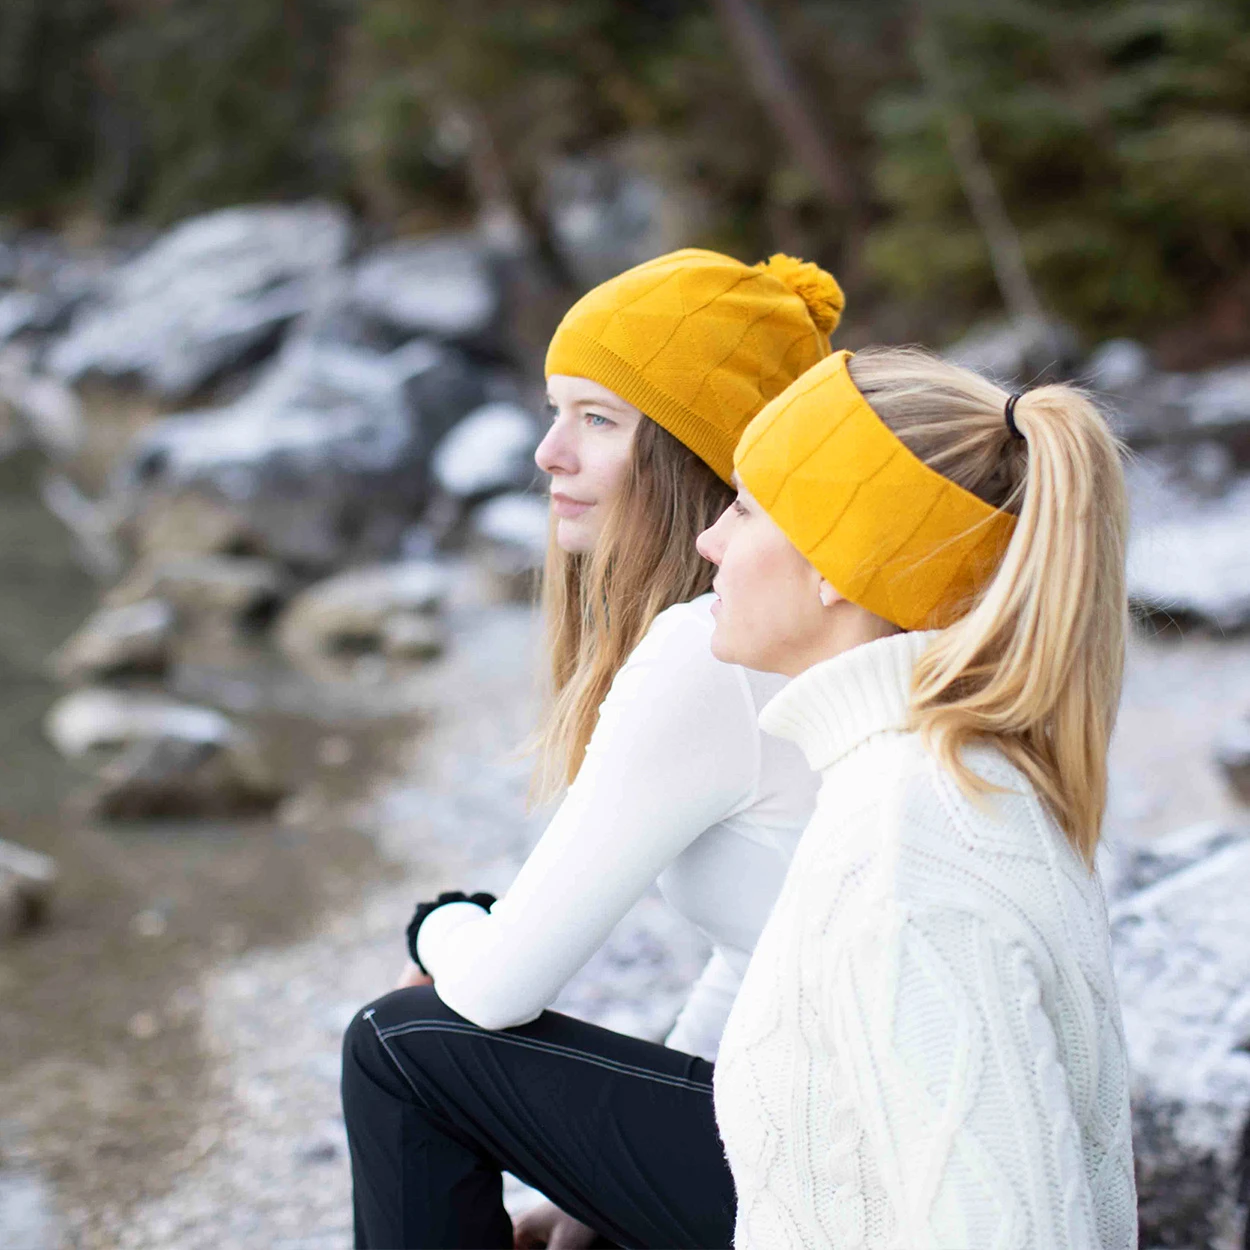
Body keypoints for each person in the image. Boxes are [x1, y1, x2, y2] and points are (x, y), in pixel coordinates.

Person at [341, 248, 845, 1249]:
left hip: (848, 1184)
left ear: (698, 457)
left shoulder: (710, 652)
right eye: (552, 411)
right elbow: (754, 961)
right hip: (853, 1146)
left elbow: (495, 986)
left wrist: (437, 924)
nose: (547, 454)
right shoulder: (810, 621)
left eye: (598, 419)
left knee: (398, 1044)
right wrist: (594, 1201)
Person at [698, 347, 1137, 1249]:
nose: (710, 540)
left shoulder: (907, 848)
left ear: (837, 559)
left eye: (744, 507)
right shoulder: (933, 788)